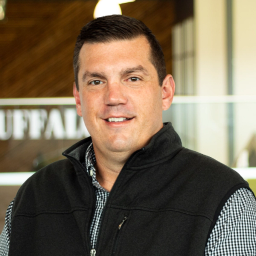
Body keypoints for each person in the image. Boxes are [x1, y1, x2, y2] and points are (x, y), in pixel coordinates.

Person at [0, 15, 256, 256]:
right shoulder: (32, 197)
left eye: (132, 78)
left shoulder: (225, 200)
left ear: (165, 92)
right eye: (96, 82)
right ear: (79, 99)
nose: (113, 98)